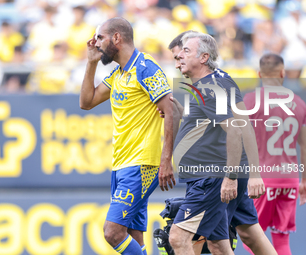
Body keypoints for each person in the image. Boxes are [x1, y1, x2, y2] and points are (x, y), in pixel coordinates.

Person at [165, 31, 277, 255]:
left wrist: (231, 177)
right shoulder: (219, 79)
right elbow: (241, 124)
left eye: (185, 51)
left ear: (204, 57)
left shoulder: (207, 88)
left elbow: (236, 129)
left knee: (179, 238)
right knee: (226, 240)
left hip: (212, 176)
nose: (179, 58)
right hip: (221, 172)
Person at [79, 17, 175, 255]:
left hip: (141, 163)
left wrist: (166, 159)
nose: (95, 43)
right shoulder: (119, 74)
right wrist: (91, 63)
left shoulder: (145, 67)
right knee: (134, 236)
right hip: (121, 164)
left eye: (100, 37)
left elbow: (171, 110)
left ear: (117, 38)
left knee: (112, 233)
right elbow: (86, 102)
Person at [243, 53, 306, 255]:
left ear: (259, 74)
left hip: (262, 179)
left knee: (251, 240)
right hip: (290, 179)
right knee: (281, 240)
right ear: (282, 73)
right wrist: (305, 180)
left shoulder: (250, 100)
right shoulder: (299, 103)